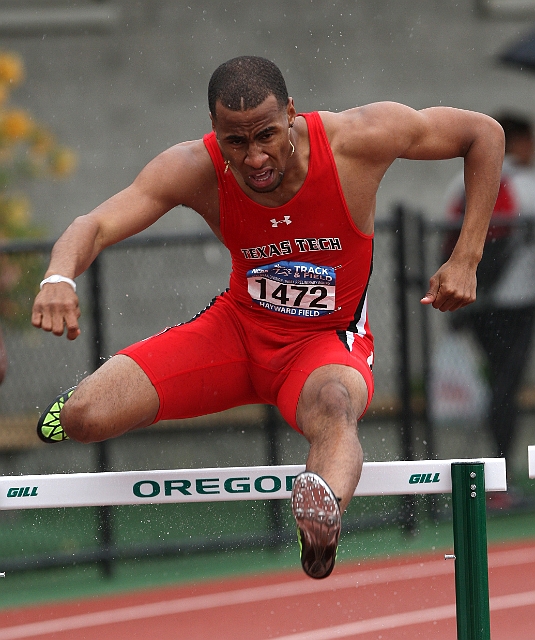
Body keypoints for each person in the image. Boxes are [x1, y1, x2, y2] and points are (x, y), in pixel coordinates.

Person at [31, 56, 505, 579]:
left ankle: (321, 524)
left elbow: (483, 133)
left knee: (334, 405)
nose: (254, 157)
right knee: (85, 418)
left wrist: (466, 258)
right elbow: (93, 225)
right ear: (214, 131)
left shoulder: (359, 139)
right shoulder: (192, 166)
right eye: (236, 143)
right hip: (235, 334)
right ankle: (81, 404)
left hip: (325, 345)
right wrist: (58, 277)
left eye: (267, 135)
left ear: (292, 115)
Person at [444, 112, 535, 500]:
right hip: (514, 302)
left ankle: (498, 475)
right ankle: (500, 477)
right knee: (504, 386)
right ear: (515, 142)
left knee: (500, 384)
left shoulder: (461, 179)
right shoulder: (519, 180)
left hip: (475, 301)